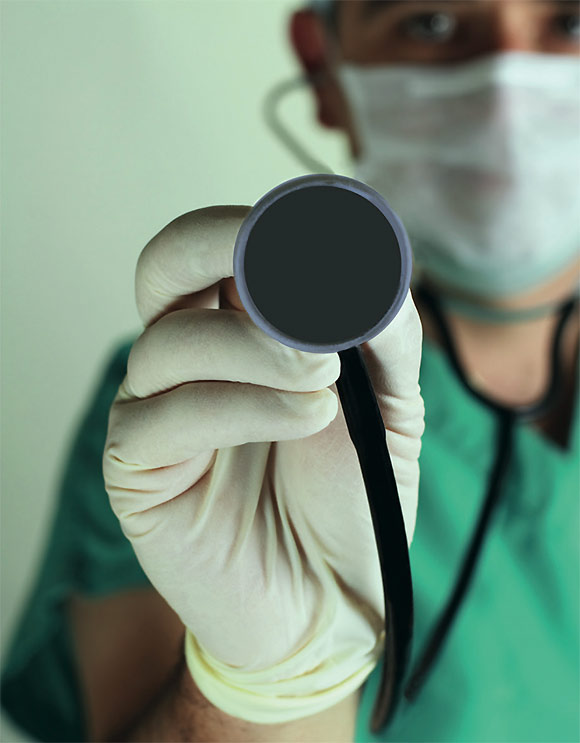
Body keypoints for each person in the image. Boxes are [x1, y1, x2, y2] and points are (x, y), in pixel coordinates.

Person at [2, 1, 579, 741]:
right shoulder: (204, 412)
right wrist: (270, 689)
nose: (507, 87)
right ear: (323, 68)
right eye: (430, 22)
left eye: (573, 22)